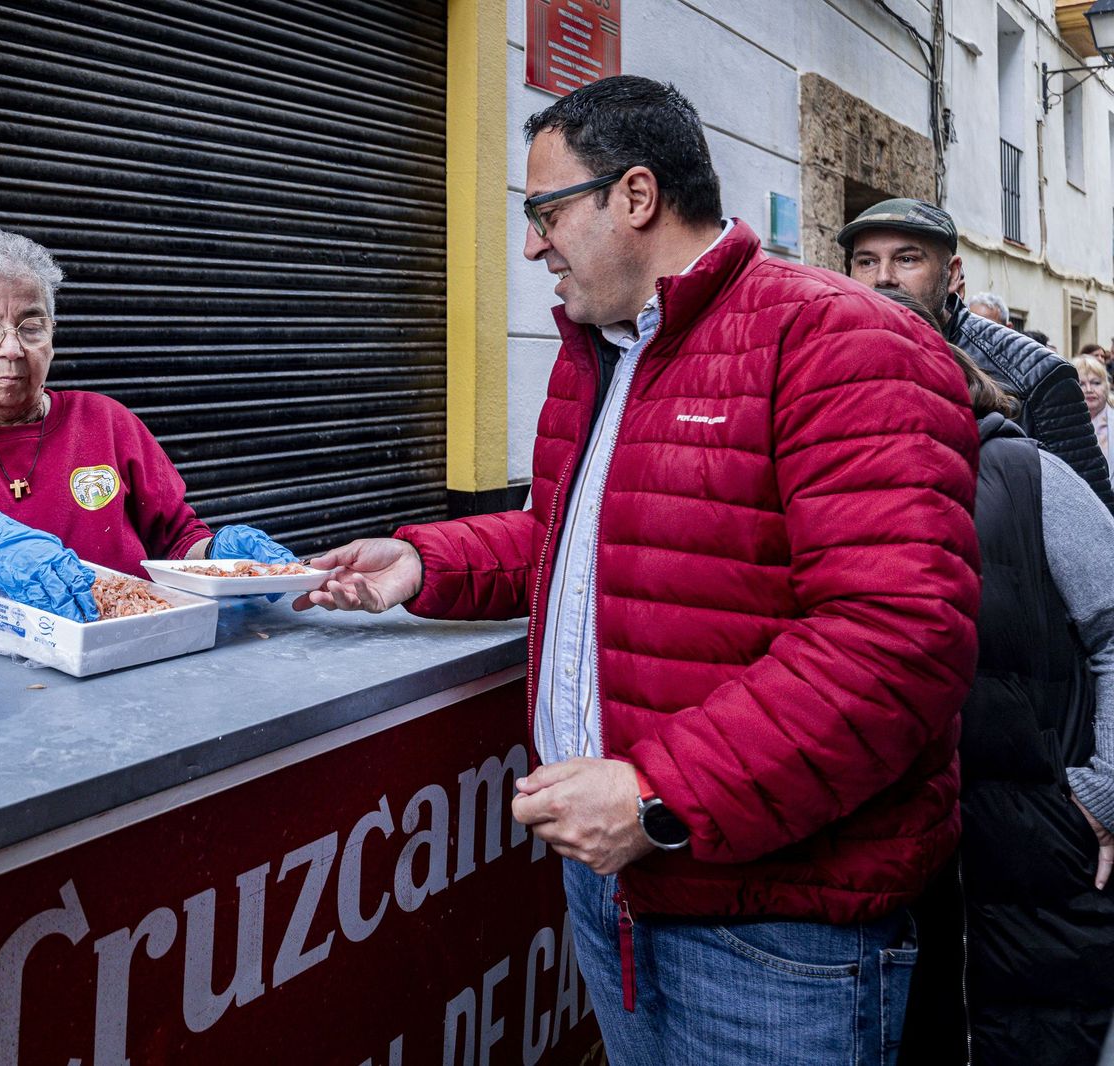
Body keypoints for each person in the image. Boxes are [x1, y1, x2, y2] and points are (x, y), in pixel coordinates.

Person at [297, 75, 980, 1063]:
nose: (533, 242)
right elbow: (573, 546)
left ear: (635, 196)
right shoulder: (603, 354)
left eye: (544, 210)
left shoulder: (840, 341)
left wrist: (660, 795)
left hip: (776, 927)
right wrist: (420, 561)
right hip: (617, 892)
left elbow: (896, 639)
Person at [874, 288, 1114, 1064]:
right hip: (902, 864)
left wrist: (1103, 791)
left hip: (1037, 849)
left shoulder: (1027, 473)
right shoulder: (846, 490)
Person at [0, 228, 293, 620]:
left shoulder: (106, 423)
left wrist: (222, 558)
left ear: (52, 337)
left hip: (117, 665)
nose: (11, 349)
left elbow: (175, 542)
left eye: (31, 327)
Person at [838, 199, 1114, 511]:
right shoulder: (831, 365)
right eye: (866, 262)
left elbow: (1091, 523)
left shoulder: (1036, 376)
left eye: (907, 259)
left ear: (953, 274)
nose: (883, 277)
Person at [1074, 353, 1112, 475]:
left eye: (1096, 383)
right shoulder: (1060, 425)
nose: (1089, 389)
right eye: (1081, 384)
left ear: (1107, 386)